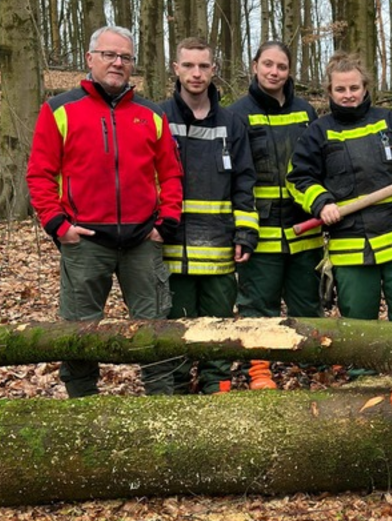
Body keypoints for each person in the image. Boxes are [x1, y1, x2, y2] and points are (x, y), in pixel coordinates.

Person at [27, 25, 182, 398]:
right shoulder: (59, 110)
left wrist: (166, 223)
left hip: (142, 241)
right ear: (90, 59)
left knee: (154, 329)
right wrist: (58, 225)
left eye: (125, 57)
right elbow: (39, 173)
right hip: (85, 241)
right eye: (110, 55)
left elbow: (172, 173)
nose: (117, 63)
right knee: (79, 331)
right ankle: (83, 406)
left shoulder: (151, 113)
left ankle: (162, 407)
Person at [287, 52, 392, 325]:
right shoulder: (318, 133)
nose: (348, 95)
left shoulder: (388, 121)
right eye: (340, 89)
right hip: (351, 245)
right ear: (329, 92)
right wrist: (322, 203)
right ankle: (364, 371)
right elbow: (298, 179)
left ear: (365, 88)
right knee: (358, 325)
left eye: (354, 88)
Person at [157, 37, 259, 394]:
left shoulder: (232, 123)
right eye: (189, 66)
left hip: (218, 250)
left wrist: (246, 233)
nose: (196, 74)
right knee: (176, 326)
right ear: (176, 69)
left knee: (217, 324)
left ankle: (218, 384)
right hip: (170, 249)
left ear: (214, 70)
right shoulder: (158, 118)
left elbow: (245, 181)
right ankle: (178, 388)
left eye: (203, 66)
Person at [228, 41, 321, 390]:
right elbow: (237, 175)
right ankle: (259, 370)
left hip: (303, 226)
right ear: (254, 66)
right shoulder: (237, 113)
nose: (274, 72)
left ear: (289, 71)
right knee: (257, 302)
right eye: (267, 64)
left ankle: (313, 363)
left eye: (281, 66)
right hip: (260, 227)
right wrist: (241, 226)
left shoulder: (306, 111)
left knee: (307, 301)